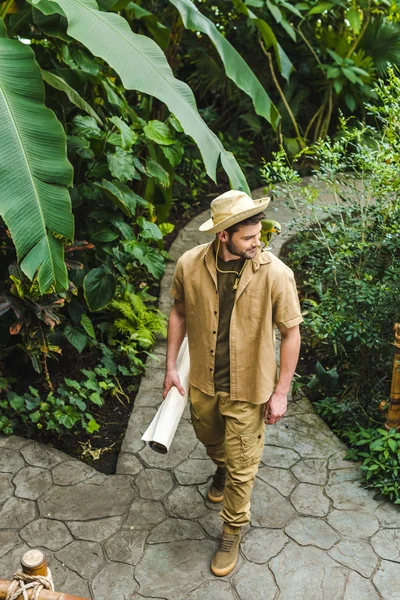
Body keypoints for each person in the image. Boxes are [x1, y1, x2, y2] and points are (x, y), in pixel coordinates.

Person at [163, 189, 303, 576]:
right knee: (209, 438)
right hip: (204, 384)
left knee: (244, 468)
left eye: (259, 235)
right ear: (223, 235)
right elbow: (178, 313)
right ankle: (220, 464)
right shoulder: (190, 265)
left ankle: (232, 529)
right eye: (248, 237)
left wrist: (281, 392)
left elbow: (291, 334)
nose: (258, 243)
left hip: (249, 389)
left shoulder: (275, 273)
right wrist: (171, 366)